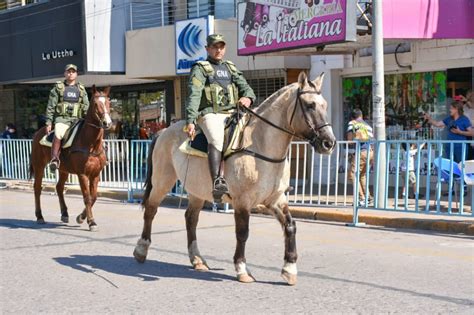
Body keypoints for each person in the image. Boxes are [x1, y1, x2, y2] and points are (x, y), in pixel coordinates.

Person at [185, 34, 256, 201]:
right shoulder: (200, 68)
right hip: (210, 113)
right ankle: (218, 180)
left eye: (221, 47)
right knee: (217, 139)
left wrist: (248, 98)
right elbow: (194, 95)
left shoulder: (230, 67)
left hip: (233, 112)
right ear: (207, 49)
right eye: (215, 47)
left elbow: (247, 89)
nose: (218, 50)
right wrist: (191, 120)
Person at [45, 64, 89, 171]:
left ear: (76, 74)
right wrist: (49, 122)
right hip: (62, 119)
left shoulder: (81, 89)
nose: (70, 73)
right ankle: (54, 159)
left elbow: (86, 106)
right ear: (65, 73)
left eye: (73, 71)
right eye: (68, 71)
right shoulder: (58, 88)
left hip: (77, 120)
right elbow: (51, 106)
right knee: (59, 132)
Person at [346, 109, 374, 206]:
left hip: (361, 151)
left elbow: (349, 140)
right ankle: (368, 197)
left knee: (352, 175)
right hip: (370, 152)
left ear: (352, 117)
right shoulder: (368, 126)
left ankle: (361, 198)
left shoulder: (352, 123)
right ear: (361, 116)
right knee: (362, 175)